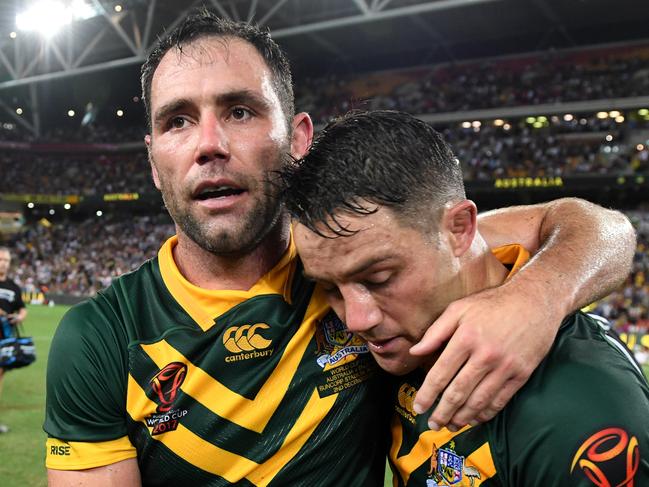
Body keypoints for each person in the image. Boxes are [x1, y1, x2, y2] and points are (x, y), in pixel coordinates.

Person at [44, 12, 636, 486]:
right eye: (177, 121)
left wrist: (536, 298)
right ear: (153, 160)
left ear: (298, 138)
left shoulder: (358, 259)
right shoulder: (102, 337)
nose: (209, 144)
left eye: (240, 110)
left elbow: (591, 225)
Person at [283, 109, 649, 486]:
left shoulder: (576, 415)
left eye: (379, 278)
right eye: (329, 288)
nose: (356, 320)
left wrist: (537, 297)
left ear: (460, 230)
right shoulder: (412, 321)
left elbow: (607, 228)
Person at [0, 246, 28, 434]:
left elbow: (22, 308)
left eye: (6, 260)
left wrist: (18, 317)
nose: (3, 263)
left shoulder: (13, 287)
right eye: (1, 259)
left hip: (5, 340)